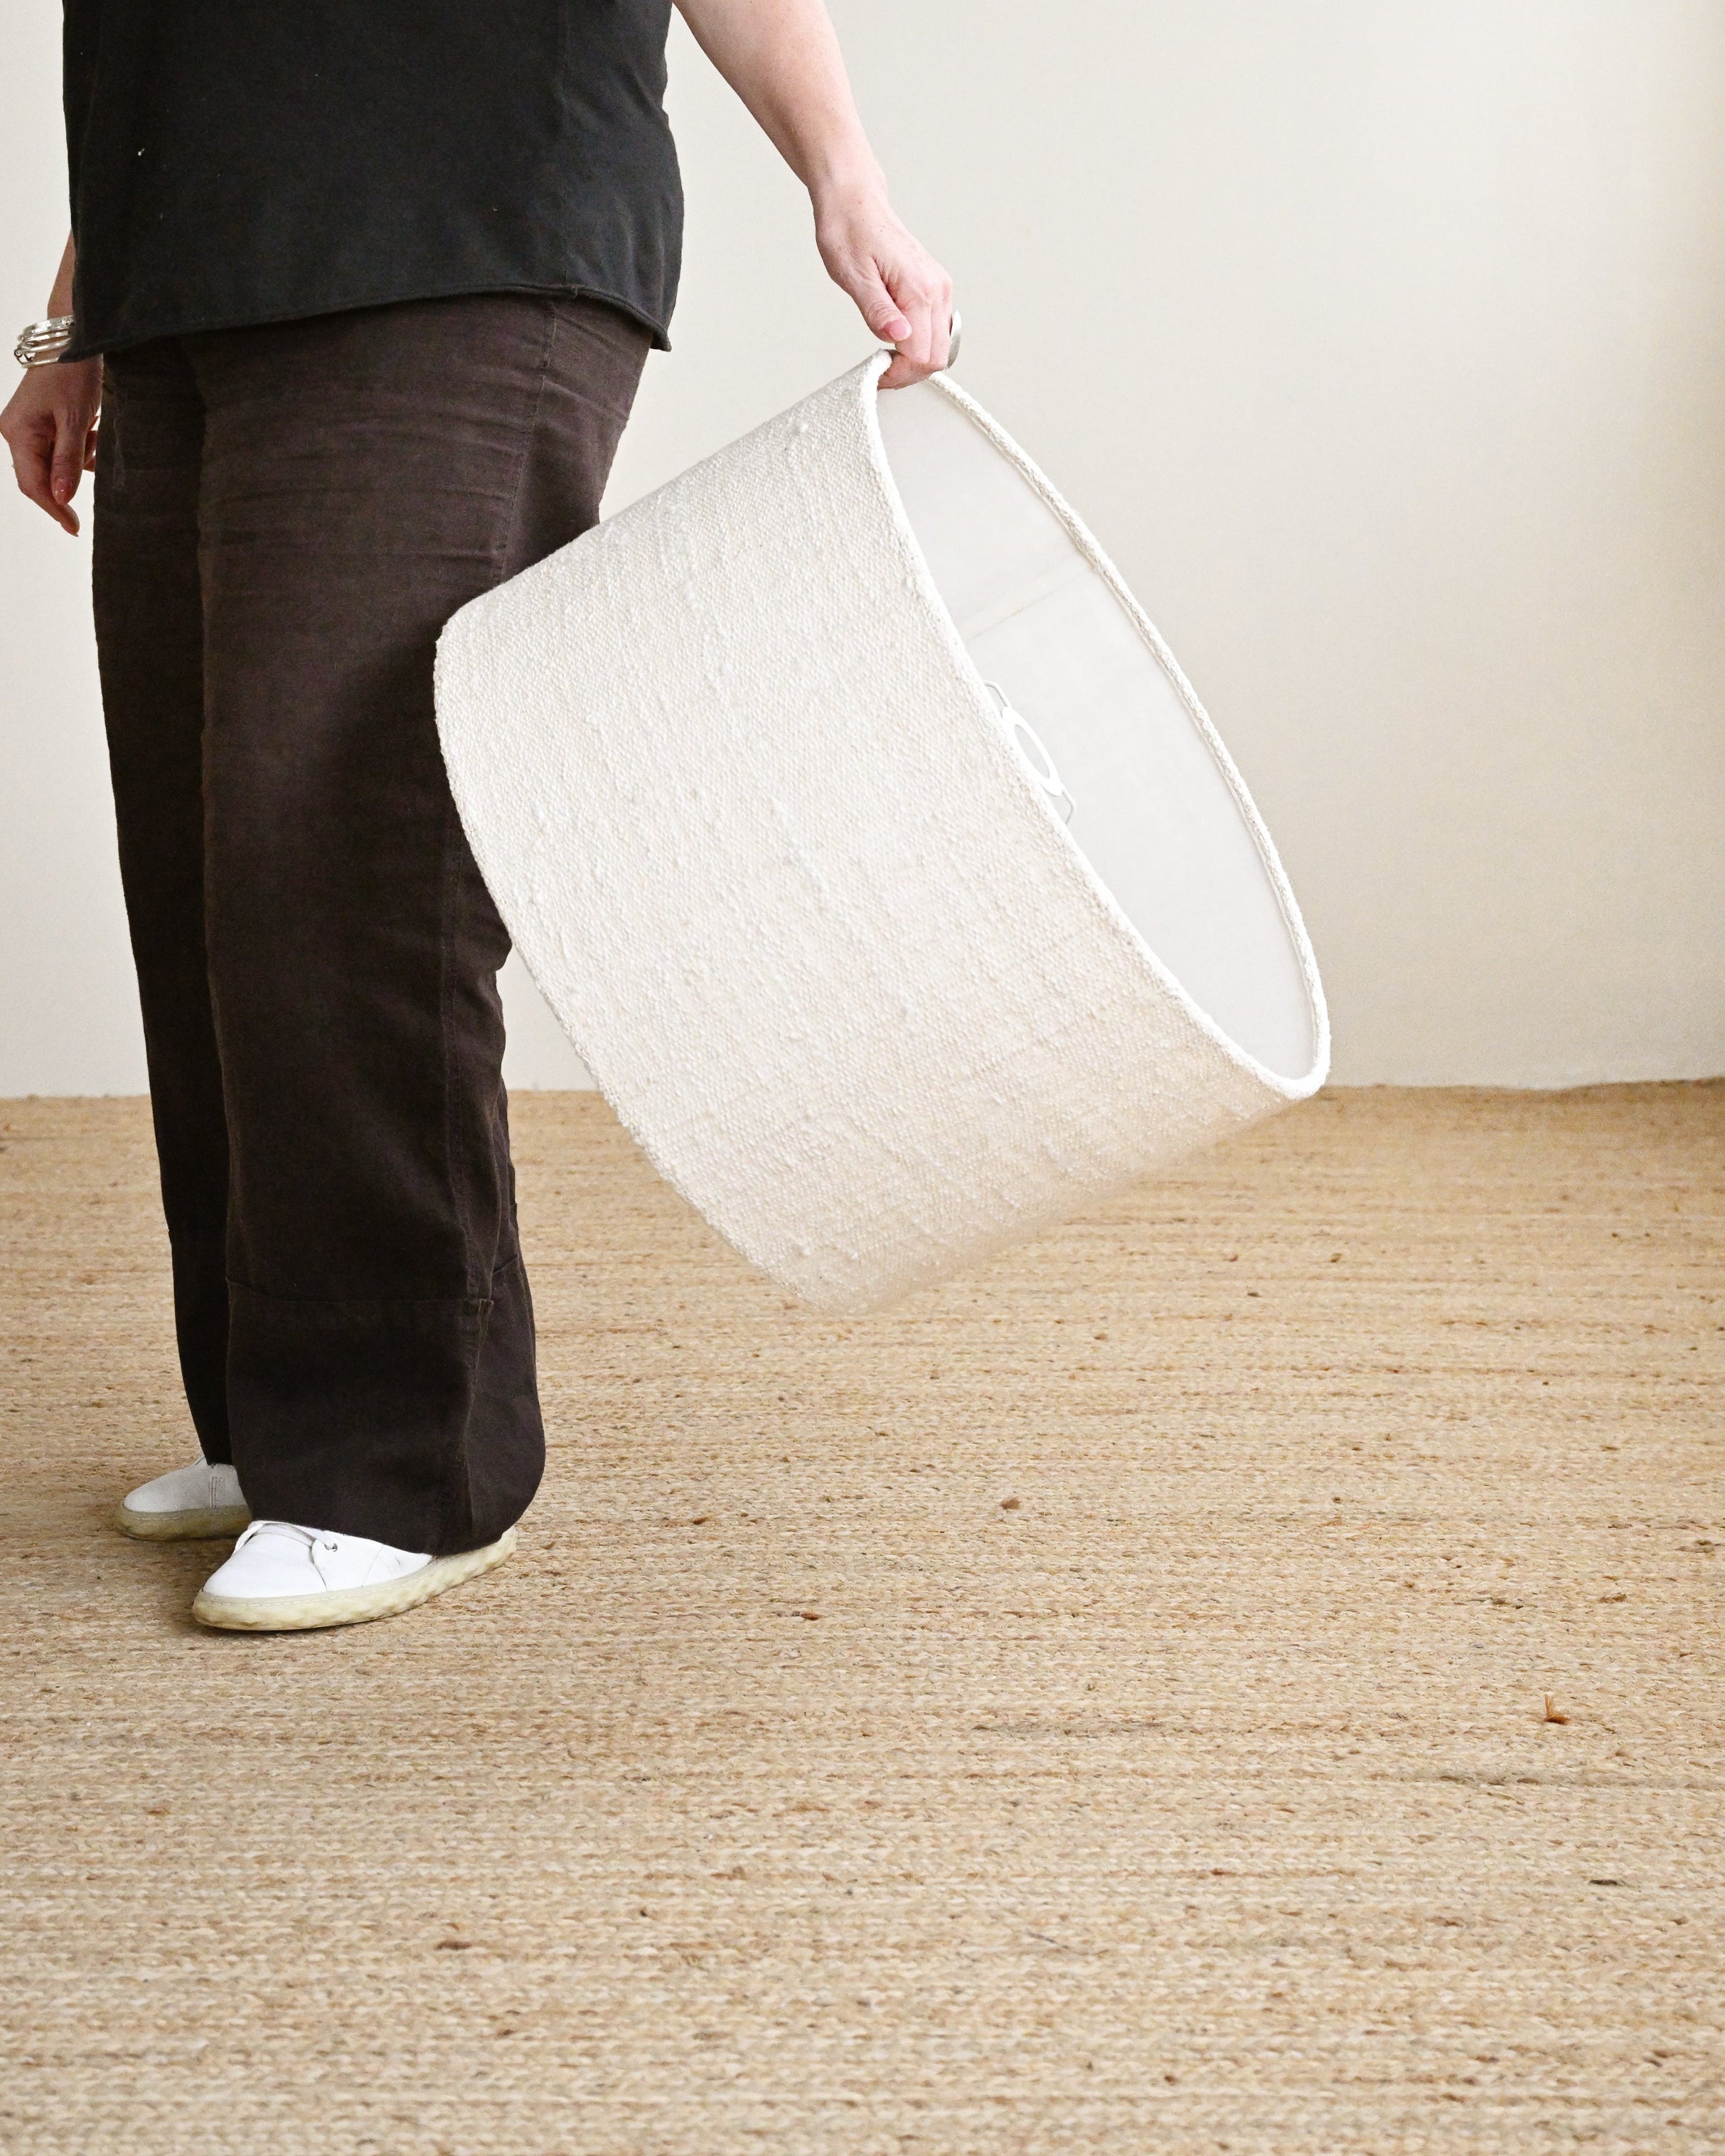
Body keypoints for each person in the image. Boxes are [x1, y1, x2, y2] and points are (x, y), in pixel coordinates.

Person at [3, 0, 953, 1635]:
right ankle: (282, 1413)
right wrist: (82, 313)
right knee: (205, 861)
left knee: (343, 855)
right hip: (194, 274)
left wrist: (842, 171)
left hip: (457, 231)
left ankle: (408, 1469)